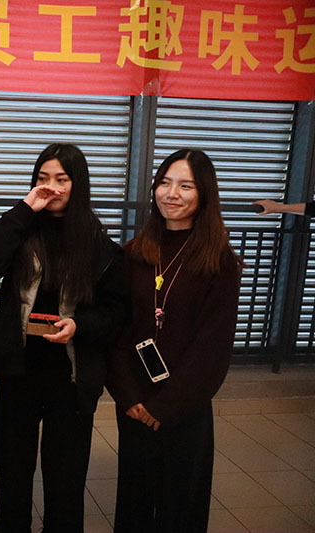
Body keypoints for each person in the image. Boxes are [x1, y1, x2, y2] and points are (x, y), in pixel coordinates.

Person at [0, 144, 127, 532]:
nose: (52, 187)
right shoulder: (22, 230)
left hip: (72, 376)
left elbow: (114, 313)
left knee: (65, 477)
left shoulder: (100, 246)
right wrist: (26, 208)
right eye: (43, 179)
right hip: (19, 370)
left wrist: (79, 325)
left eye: (62, 179)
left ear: (79, 184)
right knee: (14, 471)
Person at [107, 149, 241, 532]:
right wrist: (128, 396)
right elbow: (116, 331)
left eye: (186, 186)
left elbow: (212, 347)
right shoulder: (133, 254)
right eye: (165, 183)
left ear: (204, 194)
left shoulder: (219, 262)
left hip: (185, 404)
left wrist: (165, 407)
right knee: (133, 499)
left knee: (180, 503)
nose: (172, 194)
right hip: (134, 401)